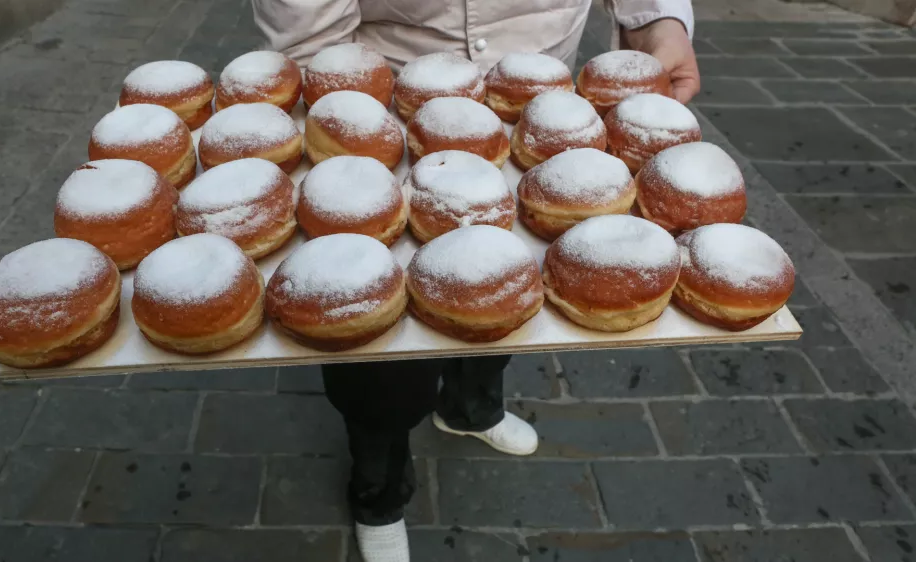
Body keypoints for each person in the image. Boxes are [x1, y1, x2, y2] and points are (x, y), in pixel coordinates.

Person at [252, 2, 700, 560]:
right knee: (377, 365)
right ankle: (379, 493)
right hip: (388, 102)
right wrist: (341, 113)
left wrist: (659, 22)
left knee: (496, 300)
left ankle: (471, 408)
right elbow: (307, 25)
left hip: (536, 94)